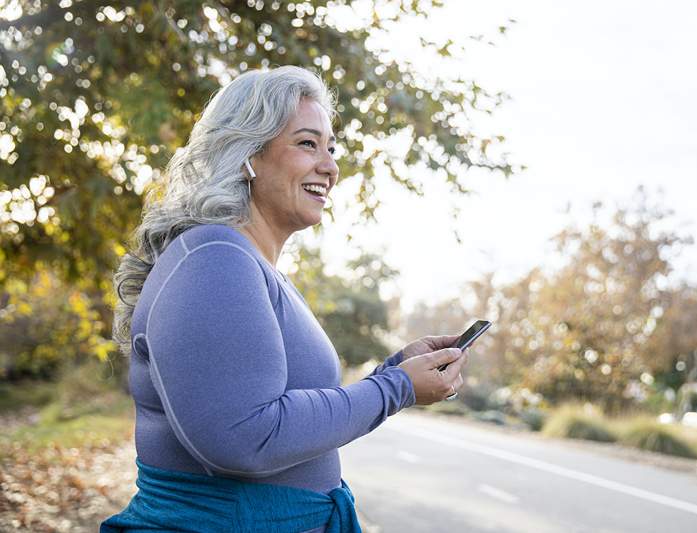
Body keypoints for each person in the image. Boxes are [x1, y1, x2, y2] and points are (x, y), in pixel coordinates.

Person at [102, 65, 469, 533]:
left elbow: (289, 411)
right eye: (307, 143)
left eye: (331, 148)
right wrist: (395, 390)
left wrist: (393, 371)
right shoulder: (214, 257)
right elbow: (244, 437)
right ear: (247, 154)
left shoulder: (248, 264)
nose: (331, 166)